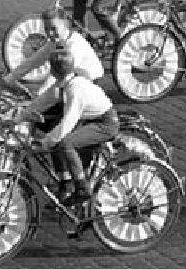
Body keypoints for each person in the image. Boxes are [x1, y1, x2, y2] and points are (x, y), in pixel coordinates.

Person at [19, 47, 119, 208]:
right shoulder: (65, 84)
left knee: (66, 143)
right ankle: (66, 183)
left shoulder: (74, 89)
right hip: (93, 120)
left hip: (105, 124)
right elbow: (41, 102)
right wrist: (18, 117)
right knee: (57, 138)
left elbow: (68, 122)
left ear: (52, 71)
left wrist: (45, 142)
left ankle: (82, 188)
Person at [0, 6, 103, 86]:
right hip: (71, 77)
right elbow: (32, 62)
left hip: (91, 80)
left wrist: (40, 95)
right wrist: (8, 79)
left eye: (54, 28)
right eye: (47, 29)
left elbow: (60, 73)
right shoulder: (53, 43)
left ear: (65, 25)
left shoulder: (75, 43)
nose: (50, 33)